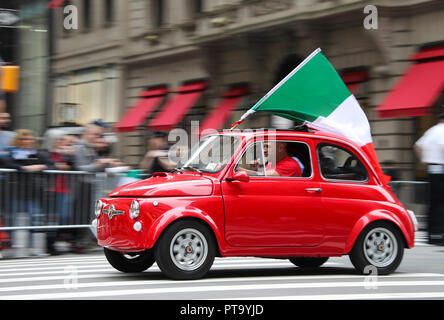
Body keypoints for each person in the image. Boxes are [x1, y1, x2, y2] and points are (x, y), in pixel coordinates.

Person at [3, 129, 55, 256]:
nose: (27, 141)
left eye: (29, 139)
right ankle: (12, 244)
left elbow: (51, 165)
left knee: (34, 219)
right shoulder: (11, 152)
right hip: (14, 192)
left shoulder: (38, 153)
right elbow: (7, 162)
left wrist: (41, 166)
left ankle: (32, 248)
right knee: (11, 220)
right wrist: (22, 168)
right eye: (23, 139)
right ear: (18, 140)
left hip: (33, 192)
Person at [414, 112, 444, 245]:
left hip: (431, 169)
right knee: (441, 204)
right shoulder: (442, 130)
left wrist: (423, 161)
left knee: (432, 204)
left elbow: (418, 146)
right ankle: (440, 234)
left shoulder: (431, 130)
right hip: (441, 169)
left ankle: (431, 235)